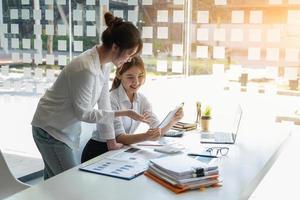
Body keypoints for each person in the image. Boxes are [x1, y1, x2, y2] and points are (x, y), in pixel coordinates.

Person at [31, 12, 147, 179]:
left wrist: (110, 141)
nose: (129, 60)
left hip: (61, 128)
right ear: (115, 47)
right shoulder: (85, 69)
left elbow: (104, 102)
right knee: (71, 183)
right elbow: (84, 113)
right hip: (50, 129)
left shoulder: (104, 63)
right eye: (129, 54)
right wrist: (124, 113)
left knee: (53, 185)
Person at [81, 56, 184, 163]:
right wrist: (146, 136)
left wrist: (173, 120)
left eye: (140, 76)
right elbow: (119, 138)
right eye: (130, 77)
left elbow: (157, 130)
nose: (136, 82)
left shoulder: (142, 100)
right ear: (119, 75)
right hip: (99, 151)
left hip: (119, 151)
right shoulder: (111, 99)